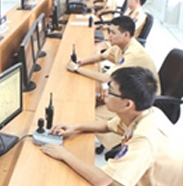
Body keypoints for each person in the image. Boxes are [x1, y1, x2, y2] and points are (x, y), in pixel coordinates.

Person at [41, 67, 183, 186]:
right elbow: (107, 125)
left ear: (127, 104)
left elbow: (102, 180)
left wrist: (64, 154)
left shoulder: (145, 139)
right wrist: (75, 126)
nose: (104, 94)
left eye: (110, 91)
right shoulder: (146, 112)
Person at [67, 16, 161, 148]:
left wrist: (77, 69)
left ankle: (115, 144)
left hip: (141, 99)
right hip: (130, 91)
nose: (109, 36)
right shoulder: (120, 45)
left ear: (126, 34)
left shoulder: (133, 53)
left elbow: (107, 78)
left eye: (112, 33)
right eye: (109, 31)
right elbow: (101, 56)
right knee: (94, 104)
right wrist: (81, 61)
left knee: (91, 113)